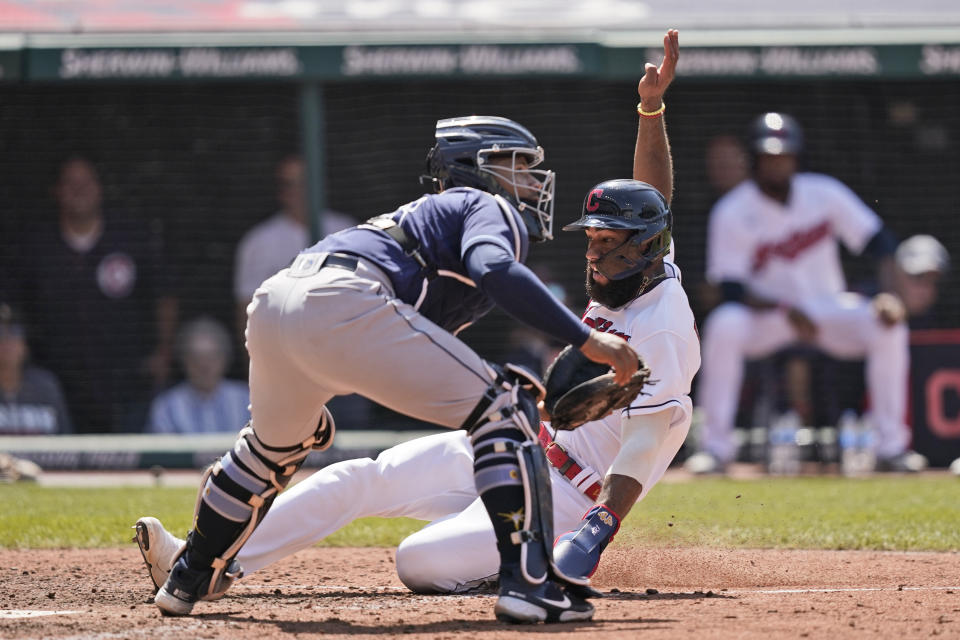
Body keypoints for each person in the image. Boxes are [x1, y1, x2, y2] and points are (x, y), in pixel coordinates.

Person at [135, 28, 692, 603]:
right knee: (360, 477)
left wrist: (593, 536)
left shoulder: (663, 322)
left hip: (572, 495)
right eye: (594, 239)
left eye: (611, 242)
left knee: (419, 562)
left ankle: (536, 569)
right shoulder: (638, 266)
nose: (596, 253)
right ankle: (206, 559)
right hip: (527, 448)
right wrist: (650, 110)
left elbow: (645, 444)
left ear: (645, 247)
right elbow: (649, 201)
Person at [687, 112, 926, 475]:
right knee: (724, 323)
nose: (777, 163)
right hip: (768, 316)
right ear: (754, 159)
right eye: (769, 156)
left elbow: (881, 243)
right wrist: (784, 307)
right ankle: (715, 449)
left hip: (829, 308)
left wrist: (890, 295)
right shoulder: (732, 210)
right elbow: (731, 290)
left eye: (784, 155)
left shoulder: (823, 192)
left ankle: (891, 447)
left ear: (797, 157)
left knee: (887, 326)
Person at [2, 157, 177, 433]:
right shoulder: (35, 246)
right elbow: (11, 307)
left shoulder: (129, 237)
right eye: (70, 183)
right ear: (56, 191)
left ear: (100, 188)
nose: (79, 190)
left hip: (128, 377)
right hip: (57, 377)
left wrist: (163, 351)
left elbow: (164, 294)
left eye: (86, 182)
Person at [233, 154, 355, 343]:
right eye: (289, 184)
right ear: (280, 191)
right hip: (284, 347)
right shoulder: (259, 241)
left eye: (304, 182)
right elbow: (246, 308)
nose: (297, 191)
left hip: (341, 346)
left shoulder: (347, 231)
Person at [146, 317, 249, 434]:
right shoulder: (166, 407)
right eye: (196, 358)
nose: (204, 366)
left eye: (212, 357)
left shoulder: (246, 400)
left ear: (225, 359)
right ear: (184, 360)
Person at [0, 302, 72, 435]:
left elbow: (65, 440)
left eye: (14, 333)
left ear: (25, 346)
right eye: (0, 334)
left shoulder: (45, 387)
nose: (6, 343)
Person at [891, 234, 950, 329]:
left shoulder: (941, 323)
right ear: (897, 274)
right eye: (918, 277)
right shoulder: (866, 309)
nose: (925, 290)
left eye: (933, 281)